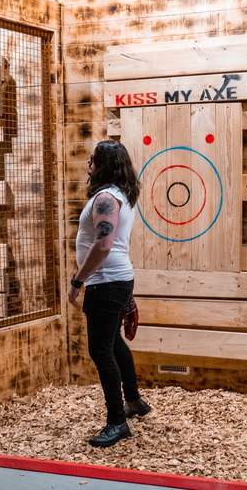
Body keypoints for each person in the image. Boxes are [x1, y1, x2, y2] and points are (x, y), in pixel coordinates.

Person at [69, 140, 151, 448]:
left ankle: (117, 422)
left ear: (103, 164)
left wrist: (78, 280)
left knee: (101, 350)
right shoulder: (122, 195)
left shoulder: (105, 198)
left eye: (93, 159)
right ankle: (133, 402)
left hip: (106, 283)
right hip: (117, 280)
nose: (88, 164)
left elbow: (103, 246)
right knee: (113, 343)